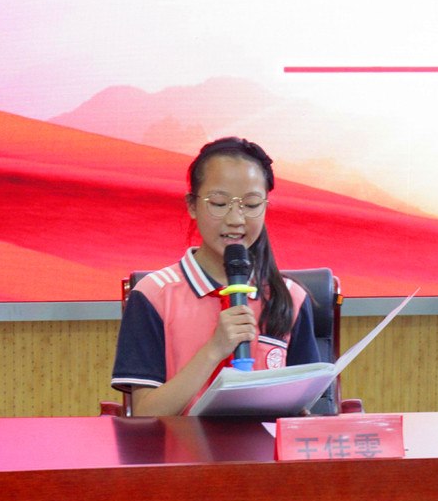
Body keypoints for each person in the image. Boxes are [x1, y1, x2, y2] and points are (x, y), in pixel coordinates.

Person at [111, 136, 321, 416]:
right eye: (219, 203)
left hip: (263, 445)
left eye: (251, 204)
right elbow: (145, 413)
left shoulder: (292, 297)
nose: (236, 219)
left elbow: (304, 406)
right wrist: (214, 350)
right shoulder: (153, 295)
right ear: (192, 205)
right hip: (181, 445)